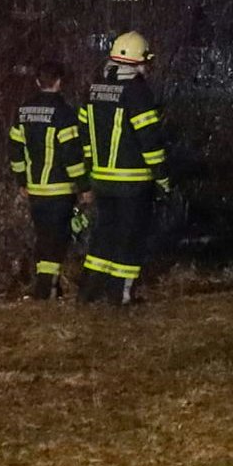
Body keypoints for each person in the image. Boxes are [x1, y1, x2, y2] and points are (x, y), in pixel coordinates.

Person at [78, 30, 173, 306]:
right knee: (130, 238)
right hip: (133, 182)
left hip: (101, 180)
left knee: (103, 234)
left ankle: (88, 291)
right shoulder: (138, 92)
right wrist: (162, 176)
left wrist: (88, 171)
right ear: (138, 61)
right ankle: (120, 295)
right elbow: (150, 141)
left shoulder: (93, 89)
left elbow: (84, 133)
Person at [6, 58, 89, 300]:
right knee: (56, 241)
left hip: (35, 190)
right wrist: (83, 186)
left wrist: (21, 180)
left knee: (43, 239)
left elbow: (15, 148)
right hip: (60, 189)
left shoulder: (23, 111)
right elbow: (72, 156)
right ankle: (47, 291)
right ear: (59, 82)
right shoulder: (64, 113)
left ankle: (45, 287)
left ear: (37, 81)